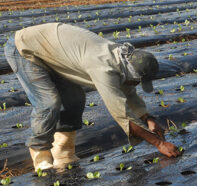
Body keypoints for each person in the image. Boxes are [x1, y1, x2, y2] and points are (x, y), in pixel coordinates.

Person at [4, 23, 181, 172]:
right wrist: (159, 144)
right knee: (49, 102)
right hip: (25, 48)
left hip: (51, 51)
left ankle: (64, 154)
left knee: (75, 99)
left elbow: (129, 94)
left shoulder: (122, 60)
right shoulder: (103, 68)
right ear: (130, 73)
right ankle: (40, 156)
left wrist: (148, 118)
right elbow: (122, 115)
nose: (135, 85)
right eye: (136, 81)